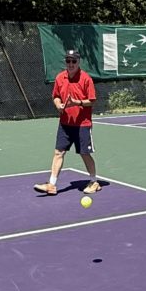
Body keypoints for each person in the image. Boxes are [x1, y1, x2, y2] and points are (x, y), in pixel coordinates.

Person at [34, 49, 101, 196]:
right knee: (58, 152)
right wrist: (58, 104)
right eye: (68, 61)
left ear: (78, 62)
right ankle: (51, 185)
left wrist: (77, 102)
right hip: (65, 124)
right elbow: (56, 96)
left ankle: (94, 181)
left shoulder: (86, 79)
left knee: (84, 153)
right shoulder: (60, 78)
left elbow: (92, 101)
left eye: (73, 61)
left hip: (82, 124)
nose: (70, 64)